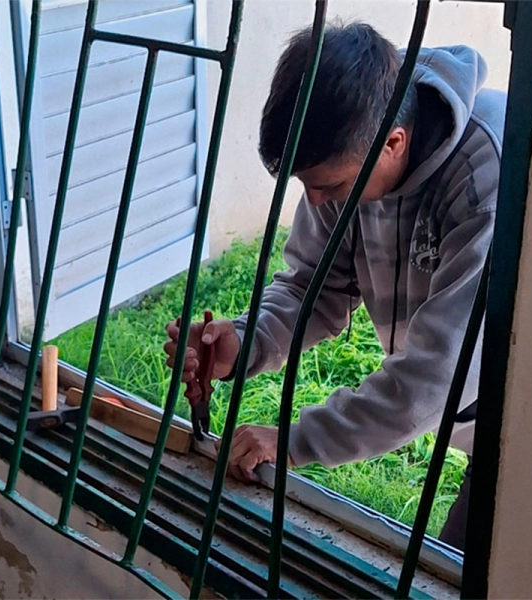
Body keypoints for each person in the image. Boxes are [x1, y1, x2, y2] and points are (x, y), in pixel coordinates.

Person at [163, 22, 505, 551]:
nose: (317, 203)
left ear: (394, 144)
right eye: (305, 185)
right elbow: (310, 287)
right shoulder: (357, 142)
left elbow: (437, 377)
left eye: (330, 186)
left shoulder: (487, 181)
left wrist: (297, 442)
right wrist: (245, 341)